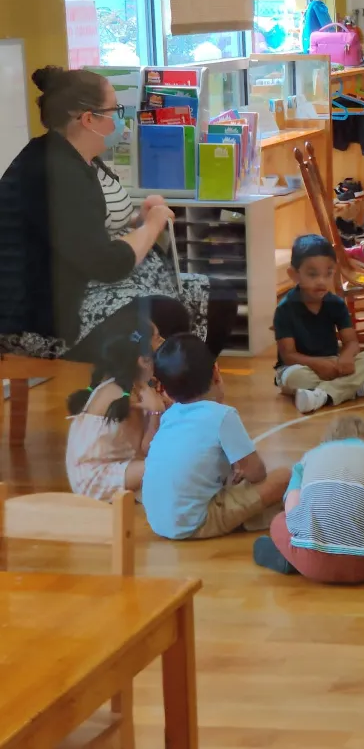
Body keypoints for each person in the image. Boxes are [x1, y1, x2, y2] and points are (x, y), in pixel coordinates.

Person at [0, 66, 233, 363]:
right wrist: (150, 226)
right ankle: (154, 393)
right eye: (115, 110)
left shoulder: (80, 159)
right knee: (166, 314)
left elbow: (92, 229)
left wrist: (139, 220)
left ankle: (186, 388)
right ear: (88, 119)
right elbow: (106, 263)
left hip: (90, 287)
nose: (121, 118)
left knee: (219, 299)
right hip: (47, 314)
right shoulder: (54, 171)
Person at [143, 334, 290, 540]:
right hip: (195, 522)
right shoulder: (222, 415)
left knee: (242, 487)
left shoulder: (170, 415)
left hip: (159, 522)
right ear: (216, 372)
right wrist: (247, 474)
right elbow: (257, 473)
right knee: (284, 477)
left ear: (166, 390)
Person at [252, 416, 364, 584]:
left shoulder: (308, 458)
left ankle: (290, 558)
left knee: (279, 521)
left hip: (312, 563)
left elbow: (291, 511)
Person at [274, 234, 364, 414]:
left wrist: (346, 357)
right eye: (312, 274)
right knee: (295, 378)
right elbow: (289, 355)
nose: (321, 281)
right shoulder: (285, 309)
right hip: (299, 367)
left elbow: (351, 342)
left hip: (333, 364)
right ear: (294, 275)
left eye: (328, 273)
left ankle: (322, 395)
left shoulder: (336, 304)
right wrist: (318, 365)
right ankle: (359, 389)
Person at [65, 326, 165, 501]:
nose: (163, 340)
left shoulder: (130, 385)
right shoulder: (125, 395)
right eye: (157, 338)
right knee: (176, 465)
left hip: (115, 466)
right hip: (95, 480)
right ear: (144, 360)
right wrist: (157, 411)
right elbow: (147, 449)